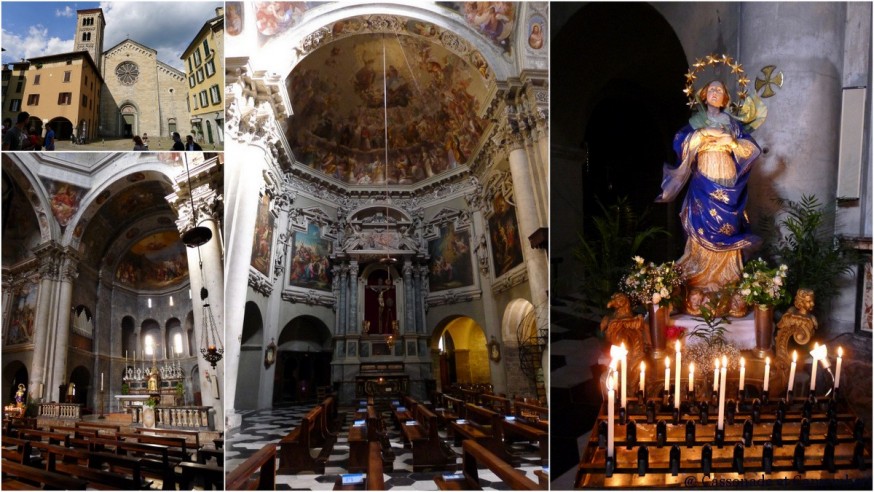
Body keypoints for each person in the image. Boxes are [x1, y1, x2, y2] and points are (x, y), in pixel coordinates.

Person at [656, 80, 762, 293]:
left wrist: (732, 143)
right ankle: (700, 277)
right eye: (711, 89)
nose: (715, 92)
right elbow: (682, 145)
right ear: (704, 95)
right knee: (702, 218)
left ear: (726, 98)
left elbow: (750, 149)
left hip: (727, 174)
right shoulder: (695, 123)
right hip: (704, 174)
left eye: (720, 90)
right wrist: (703, 135)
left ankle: (728, 276)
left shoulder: (733, 124)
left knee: (727, 221)